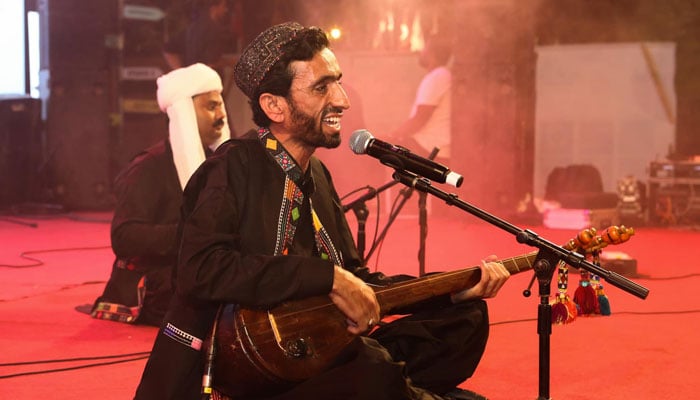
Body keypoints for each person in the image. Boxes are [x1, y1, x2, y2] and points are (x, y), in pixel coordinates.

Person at [134, 22, 510, 400]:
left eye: (338, 82)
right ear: (274, 106)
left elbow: (357, 278)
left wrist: (451, 290)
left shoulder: (315, 172)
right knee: (374, 372)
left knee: (465, 319)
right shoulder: (230, 168)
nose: (343, 100)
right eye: (321, 87)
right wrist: (326, 277)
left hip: (316, 348)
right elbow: (201, 269)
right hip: (247, 371)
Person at [91, 63, 230, 326]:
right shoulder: (149, 166)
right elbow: (124, 237)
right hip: (157, 278)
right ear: (185, 113)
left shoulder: (218, 162)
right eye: (211, 107)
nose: (221, 115)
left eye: (221, 105)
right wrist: (192, 235)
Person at [390, 35, 452, 161]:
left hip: (428, 149)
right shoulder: (441, 75)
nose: (421, 52)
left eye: (424, 48)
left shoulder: (437, 76)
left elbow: (420, 118)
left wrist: (393, 136)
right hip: (431, 148)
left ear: (432, 53)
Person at [162, 0, 238, 78]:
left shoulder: (193, 27)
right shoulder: (214, 30)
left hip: (193, 80)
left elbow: (168, 49)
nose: (225, 10)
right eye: (223, 6)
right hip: (207, 83)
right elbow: (212, 62)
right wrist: (230, 62)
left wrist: (182, 73)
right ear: (214, 7)